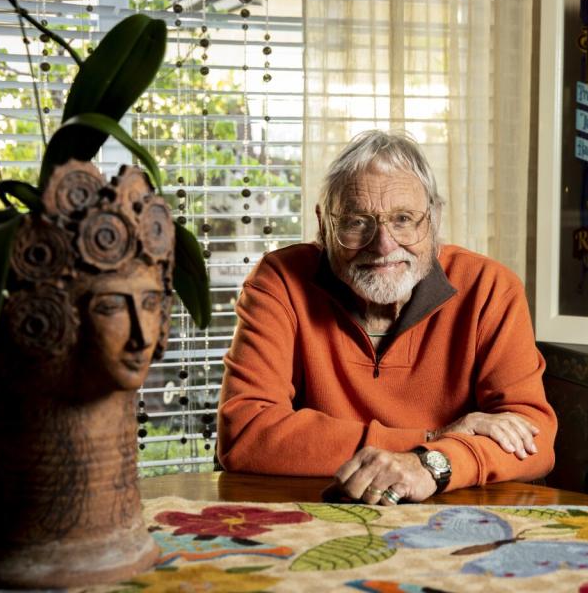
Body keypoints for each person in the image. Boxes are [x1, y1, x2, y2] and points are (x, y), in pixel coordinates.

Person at [218, 130, 557, 506]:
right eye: (356, 222)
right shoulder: (280, 281)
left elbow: (534, 440)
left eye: (403, 219)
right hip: (320, 513)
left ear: (433, 219)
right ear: (323, 223)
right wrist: (430, 439)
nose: (383, 245)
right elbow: (245, 433)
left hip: (454, 518)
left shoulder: (491, 289)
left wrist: (432, 466)